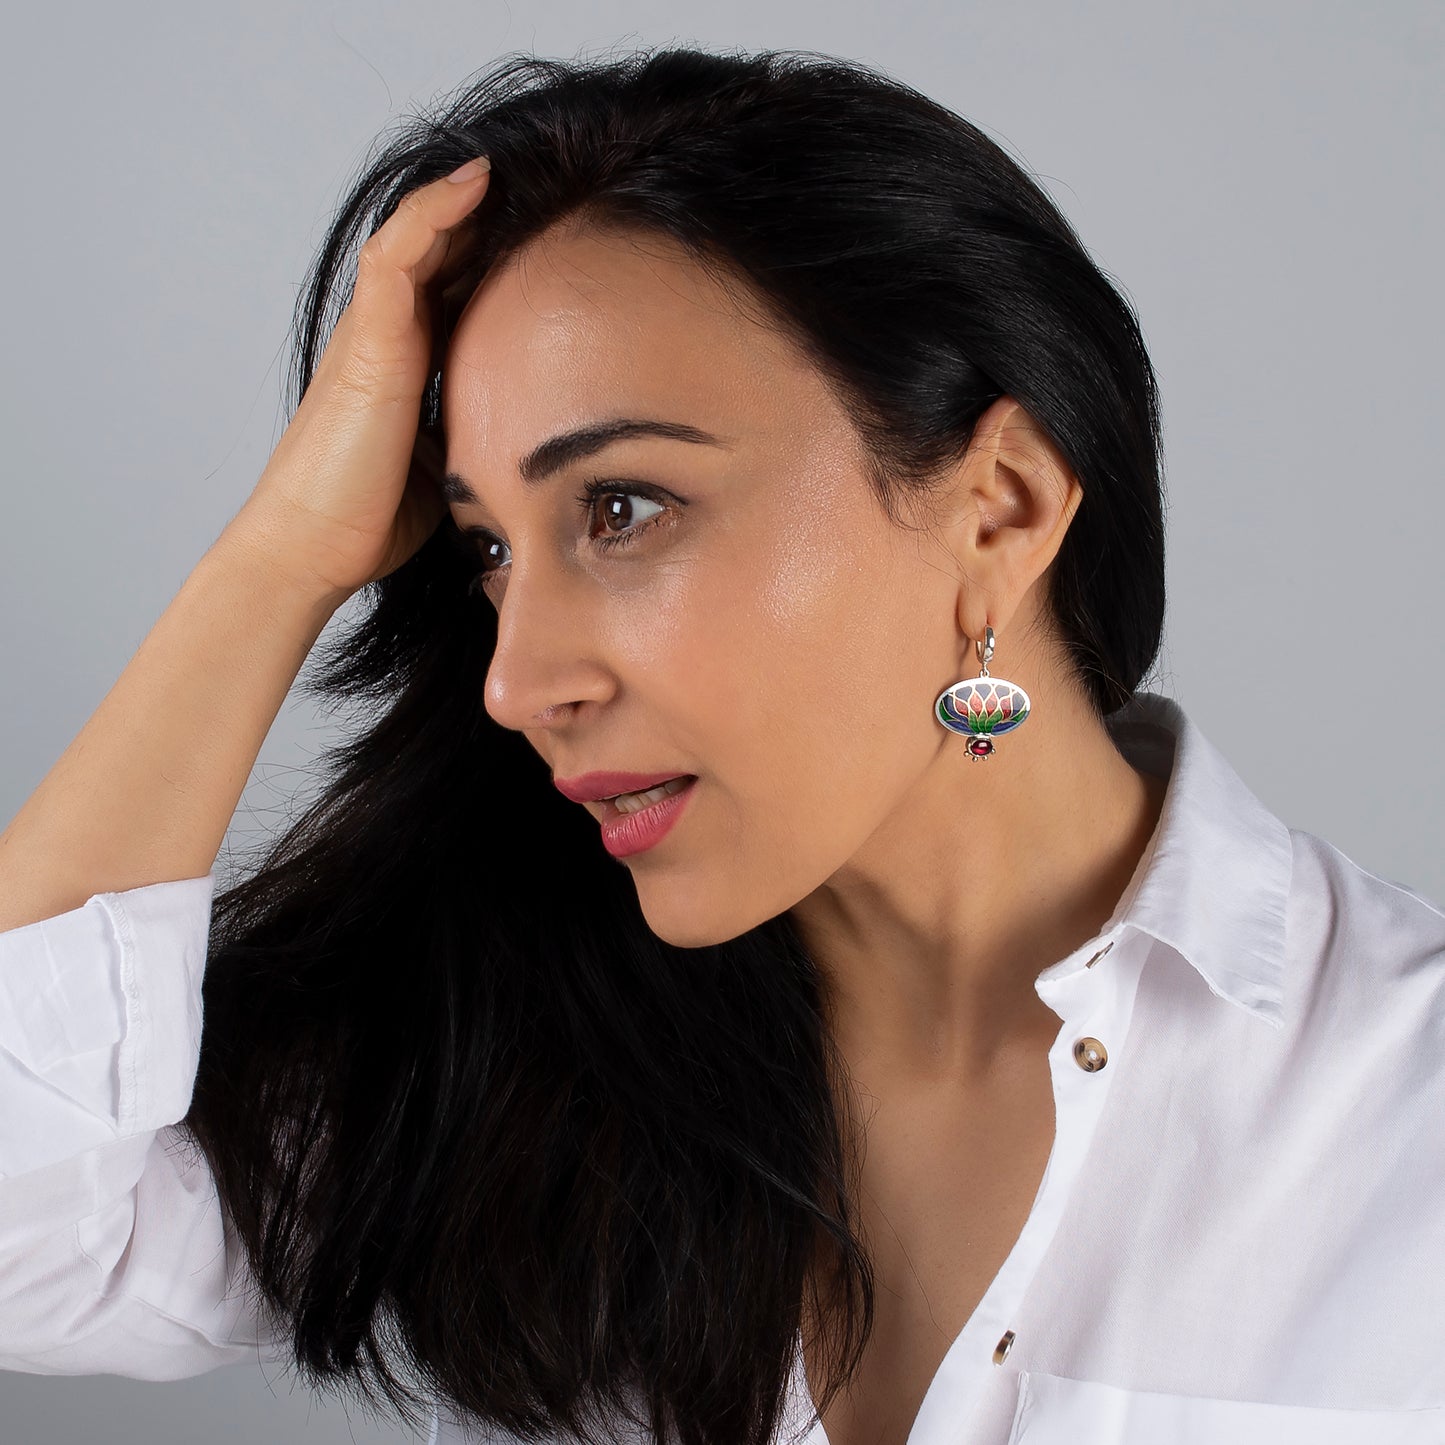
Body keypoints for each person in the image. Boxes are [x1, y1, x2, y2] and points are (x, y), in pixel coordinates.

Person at [2, 42, 1443, 1445]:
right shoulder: (504, 1050)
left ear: (998, 505)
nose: (515, 681)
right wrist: (285, 557)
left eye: (622, 509)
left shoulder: (1400, 1095)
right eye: (486, 547)